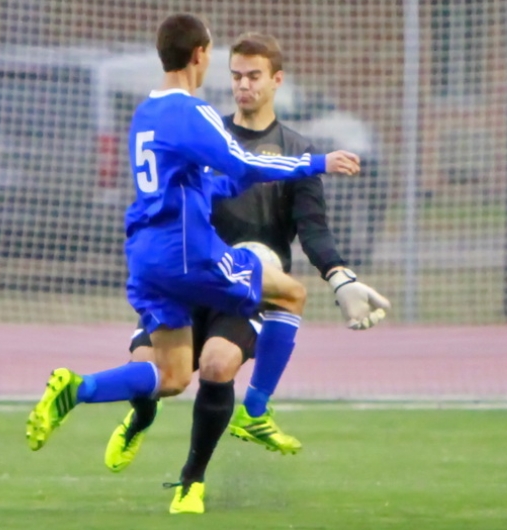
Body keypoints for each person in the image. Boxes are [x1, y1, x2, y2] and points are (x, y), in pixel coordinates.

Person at [24, 14, 361, 454]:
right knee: (289, 293)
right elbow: (241, 162)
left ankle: (77, 388)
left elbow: (201, 181)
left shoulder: (145, 112)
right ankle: (256, 412)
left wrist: (234, 181)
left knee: (172, 375)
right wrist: (317, 162)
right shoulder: (193, 111)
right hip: (188, 253)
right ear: (200, 54)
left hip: (146, 256)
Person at [103, 32, 390, 514]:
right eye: (235, 76)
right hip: (192, 278)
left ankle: (191, 481)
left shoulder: (296, 150)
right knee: (146, 371)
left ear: (277, 81)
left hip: (247, 290)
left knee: (216, 365)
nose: (243, 86)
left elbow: (313, 231)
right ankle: (139, 417)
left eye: (253, 76)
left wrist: (339, 275)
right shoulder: (205, 132)